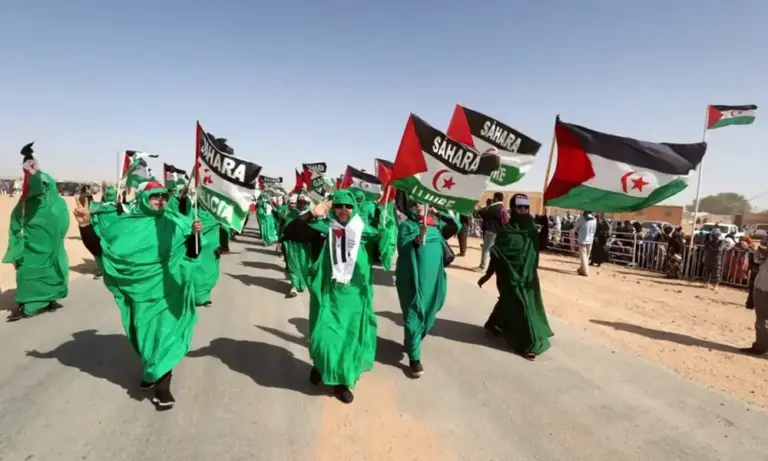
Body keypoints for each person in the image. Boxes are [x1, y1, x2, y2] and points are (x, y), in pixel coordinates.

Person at [73, 181, 203, 410]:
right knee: (143, 336)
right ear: (144, 198)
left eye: (164, 197)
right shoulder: (123, 226)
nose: (160, 201)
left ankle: (162, 389)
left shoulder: (177, 223)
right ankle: (150, 371)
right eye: (155, 196)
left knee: (165, 338)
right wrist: (84, 225)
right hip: (138, 294)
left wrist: (195, 234)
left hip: (168, 293)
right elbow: (101, 250)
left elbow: (192, 253)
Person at [282, 189, 393, 404]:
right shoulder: (322, 230)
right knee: (324, 340)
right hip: (327, 298)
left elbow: (384, 255)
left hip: (354, 300)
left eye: (348, 206)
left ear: (354, 208)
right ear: (333, 207)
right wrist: (312, 214)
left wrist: (386, 233)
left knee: (348, 341)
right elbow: (291, 232)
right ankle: (321, 365)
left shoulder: (366, 232)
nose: (344, 210)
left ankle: (342, 382)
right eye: (339, 205)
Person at [477, 194, 552, 359]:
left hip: (527, 275)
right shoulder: (505, 231)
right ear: (513, 208)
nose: (523, 210)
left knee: (519, 303)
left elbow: (536, 251)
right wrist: (487, 275)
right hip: (507, 275)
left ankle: (497, 325)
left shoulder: (531, 229)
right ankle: (525, 342)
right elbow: (496, 255)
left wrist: (546, 228)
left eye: (526, 207)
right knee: (516, 303)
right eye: (519, 207)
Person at [395, 192, 459, 377]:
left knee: (429, 316)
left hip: (433, 280)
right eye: (417, 204)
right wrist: (418, 238)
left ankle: (412, 341)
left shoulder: (436, 225)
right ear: (412, 207)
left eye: (424, 204)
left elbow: (456, 226)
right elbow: (403, 247)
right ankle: (414, 358)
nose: (420, 207)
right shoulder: (407, 226)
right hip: (411, 279)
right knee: (413, 314)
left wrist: (439, 213)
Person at [4, 170, 70, 322]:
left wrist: (56, 240)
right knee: (25, 273)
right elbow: (15, 222)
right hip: (30, 248)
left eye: (44, 184)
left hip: (52, 247)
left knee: (52, 271)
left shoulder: (58, 203)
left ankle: (50, 300)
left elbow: (64, 224)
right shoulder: (25, 203)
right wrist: (18, 243)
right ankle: (27, 304)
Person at [281, 193, 312, 298]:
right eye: (300, 202)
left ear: (308, 203)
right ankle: (294, 286)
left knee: (304, 266)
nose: (302, 204)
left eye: (304, 202)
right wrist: (281, 242)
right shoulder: (291, 214)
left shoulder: (312, 214)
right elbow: (285, 228)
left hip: (306, 246)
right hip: (292, 244)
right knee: (293, 266)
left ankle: (300, 285)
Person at [740, 241, 768, 356]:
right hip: (763, 285)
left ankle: (761, 347)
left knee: (762, 319)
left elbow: (758, 258)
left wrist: (761, 251)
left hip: (764, 287)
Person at [475, 192, 506, 272]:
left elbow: (486, 215)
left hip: (491, 232)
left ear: (496, 198)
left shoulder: (495, 207)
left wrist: (479, 210)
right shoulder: (502, 207)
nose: (493, 199)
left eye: (494, 197)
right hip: (498, 232)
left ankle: (482, 267)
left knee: (486, 250)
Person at [573, 210, 597, 276]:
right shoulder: (594, 219)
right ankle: (581, 269)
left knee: (584, 257)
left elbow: (575, 227)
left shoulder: (582, 218)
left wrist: (577, 231)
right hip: (590, 240)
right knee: (587, 256)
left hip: (582, 240)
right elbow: (594, 230)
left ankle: (585, 272)